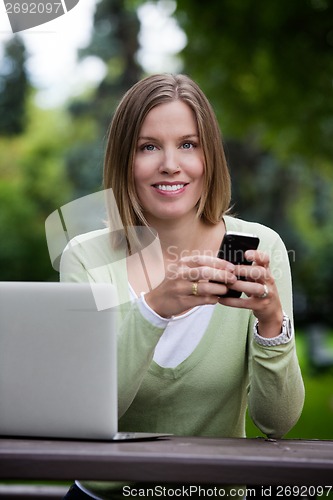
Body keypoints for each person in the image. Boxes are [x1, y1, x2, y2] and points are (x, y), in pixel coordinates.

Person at [61, 73, 305, 499]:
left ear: (209, 156)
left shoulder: (261, 247)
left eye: (188, 144)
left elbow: (277, 422)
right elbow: (87, 413)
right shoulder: (86, 258)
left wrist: (271, 321)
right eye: (148, 146)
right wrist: (154, 309)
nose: (170, 164)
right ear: (124, 160)